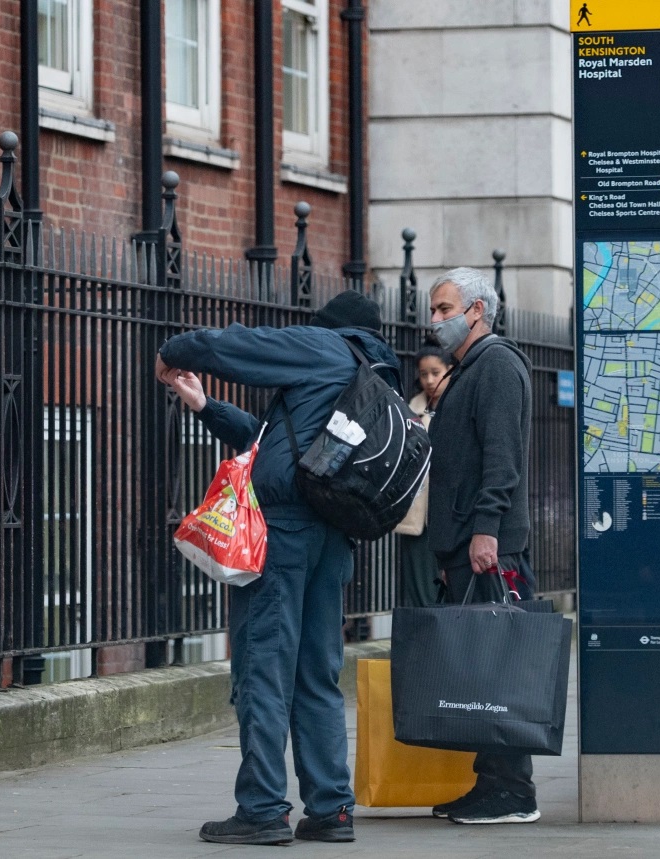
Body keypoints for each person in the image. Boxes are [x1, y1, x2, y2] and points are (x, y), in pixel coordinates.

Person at [155, 290, 401, 846]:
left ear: (327, 327)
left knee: (264, 666)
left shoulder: (324, 348)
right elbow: (281, 446)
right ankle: (331, 808)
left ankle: (263, 808)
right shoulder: (378, 374)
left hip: (284, 535)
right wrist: (205, 406)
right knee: (316, 674)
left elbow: (241, 345)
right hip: (332, 538)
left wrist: (176, 349)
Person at [424, 266, 539, 825]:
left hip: (488, 547)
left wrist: (485, 531)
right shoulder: (468, 369)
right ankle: (490, 783)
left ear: (476, 311)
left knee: (500, 670)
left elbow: (503, 458)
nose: (435, 319)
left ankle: (514, 792)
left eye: (445, 309)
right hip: (463, 545)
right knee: (480, 670)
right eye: (433, 309)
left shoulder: (496, 366)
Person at [395, 336, 456, 607]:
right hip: (416, 517)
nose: (430, 380)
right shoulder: (410, 410)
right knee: (420, 592)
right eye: (423, 374)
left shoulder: (458, 405)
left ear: (449, 371)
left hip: (450, 514)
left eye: (436, 373)